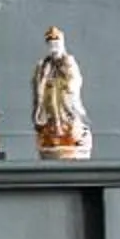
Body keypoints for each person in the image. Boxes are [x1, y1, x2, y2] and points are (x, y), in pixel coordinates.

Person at [31, 24, 91, 159]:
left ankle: (70, 133)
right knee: (50, 115)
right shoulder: (45, 64)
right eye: (51, 45)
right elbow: (39, 80)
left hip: (64, 97)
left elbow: (75, 79)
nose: (54, 48)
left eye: (56, 44)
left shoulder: (68, 61)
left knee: (69, 116)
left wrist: (68, 86)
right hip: (50, 96)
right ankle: (54, 133)